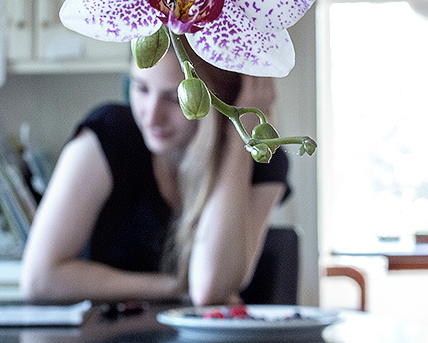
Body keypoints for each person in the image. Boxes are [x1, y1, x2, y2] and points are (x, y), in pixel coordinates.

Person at [19, 45, 290, 306]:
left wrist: (237, 141)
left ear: (224, 100)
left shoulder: (263, 163)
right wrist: (174, 287)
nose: (151, 116)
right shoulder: (109, 135)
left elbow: (210, 288)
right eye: (140, 88)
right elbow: (39, 279)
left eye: (174, 98)